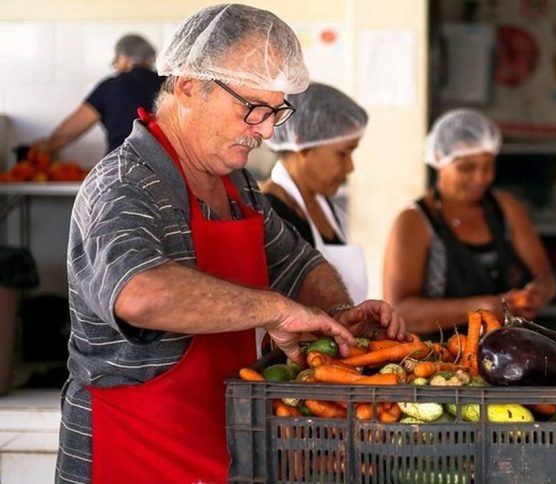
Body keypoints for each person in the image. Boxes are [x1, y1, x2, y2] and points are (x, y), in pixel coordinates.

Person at [56, 5, 406, 484]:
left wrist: (340, 314)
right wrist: (276, 311)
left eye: (276, 110)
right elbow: (139, 292)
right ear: (187, 87)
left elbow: (298, 263)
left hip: (221, 452)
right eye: (252, 108)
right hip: (134, 455)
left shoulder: (238, 186)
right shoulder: (123, 183)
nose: (267, 129)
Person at [383, 108, 556, 336]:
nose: (480, 178)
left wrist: (538, 294)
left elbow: (546, 279)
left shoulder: (506, 209)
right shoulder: (414, 221)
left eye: (488, 167)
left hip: (512, 349)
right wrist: (480, 308)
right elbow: (400, 310)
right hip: (441, 359)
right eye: (466, 168)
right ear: (438, 160)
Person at [260, 82, 368, 302]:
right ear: (303, 145)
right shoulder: (273, 213)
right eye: (342, 153)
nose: (350, 167)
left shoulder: (322, 201)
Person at [33, 34, 164, 156]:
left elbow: (68, 133)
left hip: (121, 166)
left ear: (123, 58)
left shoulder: (111, 86)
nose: (116, 67)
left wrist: (45, 148)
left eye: (116, 61)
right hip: (167, 168)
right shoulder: (167, 84)